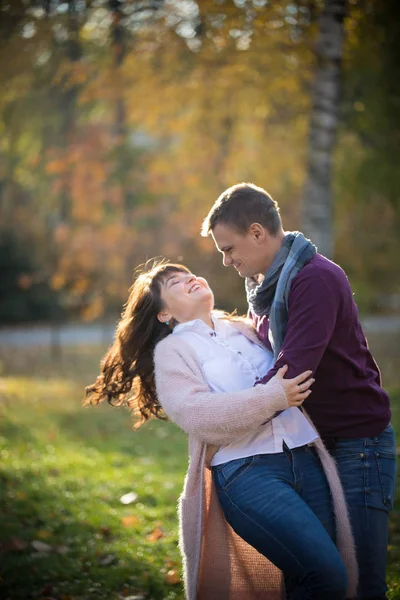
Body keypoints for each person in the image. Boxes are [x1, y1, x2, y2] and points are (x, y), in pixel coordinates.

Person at [86, 261, 357, 600]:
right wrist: (271, 398)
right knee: (327, 576)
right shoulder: (173, 351)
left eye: (189, 274)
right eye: (175, 283)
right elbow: (197, 414)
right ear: (163, 314)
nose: (190, 279)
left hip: (306, 458)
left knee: (313, 581)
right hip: (249, 473)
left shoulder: (245, 329)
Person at [201, 182, 396, 600]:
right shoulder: (266, 289)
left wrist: (226, 419)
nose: (226, 260)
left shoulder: (315, 279)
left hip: (357, 443)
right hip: (316, 444)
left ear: (257, 232)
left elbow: (291, 374)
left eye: (228, 248)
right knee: (317, 577)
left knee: (362, 582)